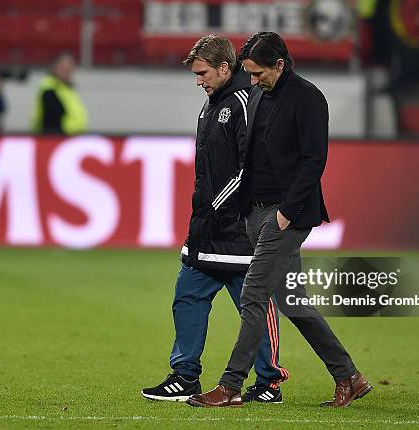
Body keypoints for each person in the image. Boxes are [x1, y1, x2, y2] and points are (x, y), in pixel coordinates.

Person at [187, 32, 372, 408]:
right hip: (255, 213)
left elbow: (313, 161)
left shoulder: (308, 98)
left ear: (280, 65)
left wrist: (287, 211)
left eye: (257, 74)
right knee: (291, 301)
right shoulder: (258, 95)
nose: (252, 81)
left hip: (286, 215)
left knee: (253, 296)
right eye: (249, 75)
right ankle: (349, 377)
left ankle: (230, 386)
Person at [141, 35, 289, 404]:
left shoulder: (243, 101)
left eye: (203, 73)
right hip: (206, 230)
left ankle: (269, 382)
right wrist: (204, 215)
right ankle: (185, 376)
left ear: (225, 68)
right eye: (195, 74)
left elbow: (249, 167)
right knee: (187, 296)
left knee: (253, 305)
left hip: (238, 229)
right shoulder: (212, 104)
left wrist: (217, 208)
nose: (198, 81)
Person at [32, 52, 88, 135]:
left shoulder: (66, 88)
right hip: (61, 138)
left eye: (69, 69)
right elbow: (51, 122)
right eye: (63, 68)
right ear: (54, 68)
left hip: (70, 139)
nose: (67, 72)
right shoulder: (50, 90)